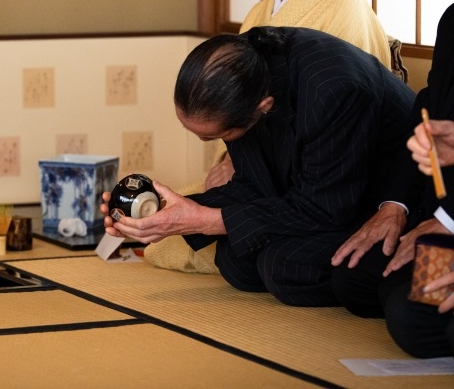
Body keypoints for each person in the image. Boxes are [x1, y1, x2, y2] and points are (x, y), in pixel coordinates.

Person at [144, 0, 396, 273]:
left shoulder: (346, 13)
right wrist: (230, 163)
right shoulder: (262, 13)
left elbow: (341, 140)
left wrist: (232, 175)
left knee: (183, 243)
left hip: (318, 190)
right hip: (261, 180)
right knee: (160, 220)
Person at [102, 26, 415, 306]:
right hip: (317, 190)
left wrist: (200, 221)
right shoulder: (243, 67)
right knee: (236, 261)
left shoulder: (333, 88)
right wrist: (166, 212)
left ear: (263, 107)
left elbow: (324, 207)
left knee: (284, 267)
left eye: (214, 136)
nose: (204, 141)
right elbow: (257, 183)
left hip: (389, 194)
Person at [329, 0, 454, 357]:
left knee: (410, 315)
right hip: (438, 210)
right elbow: (425, 114)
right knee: (355, 278)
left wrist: (449, 221)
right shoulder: (453, 21)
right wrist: (395, 207)